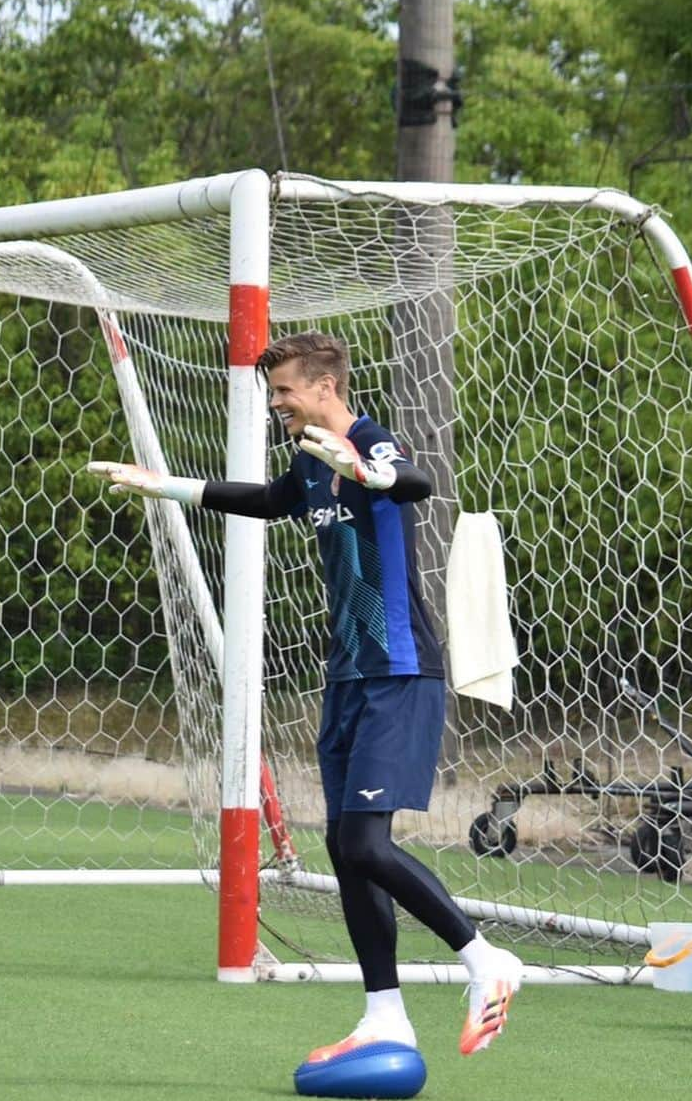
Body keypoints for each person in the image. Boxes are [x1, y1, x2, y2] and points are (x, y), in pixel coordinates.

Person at [89, 331, 523, 1058]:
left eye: (286, 390)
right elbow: (264, 499)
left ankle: (485, 960)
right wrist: (164, 485)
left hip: (401, 673)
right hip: (348, 678)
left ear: (325, 386)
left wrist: (368, 470)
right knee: (345, 850)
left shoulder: (370, 441)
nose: (279, 404)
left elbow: (410, 481)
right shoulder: (308, 462)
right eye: (275, 392)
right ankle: (385, 1012)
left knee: (364, 842)